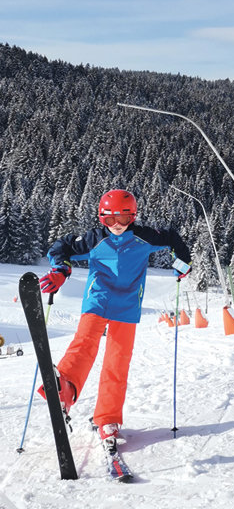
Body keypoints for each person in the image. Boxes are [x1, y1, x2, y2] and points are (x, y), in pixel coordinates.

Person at [38, 189, 191, 451]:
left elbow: (173, 239)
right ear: (101, 219)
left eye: (123, 219)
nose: (117, 225)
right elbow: (60, 246)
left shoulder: (145, 237)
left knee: (117, 362)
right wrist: (61, 270)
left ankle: (108, 419)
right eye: (109, 220)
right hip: (98, 299)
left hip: (128, 306)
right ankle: (64, 386)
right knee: (84, 342)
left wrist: (182, 263)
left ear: (133, 217)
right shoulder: (95, 239)